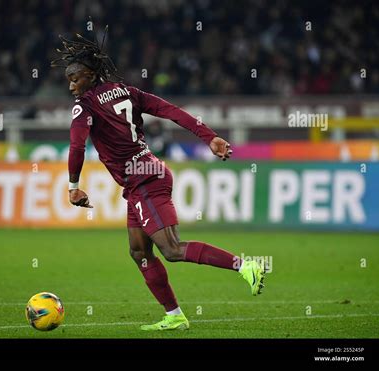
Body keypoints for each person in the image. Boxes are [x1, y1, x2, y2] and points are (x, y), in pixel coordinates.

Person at [52, 30, 265, 331]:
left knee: (172, 250)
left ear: (91, 75)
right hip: (145, 176)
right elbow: (172, 112)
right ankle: (175, 315)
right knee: (139, 252)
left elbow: (77, 146)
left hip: (144, 181)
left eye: (76, 78)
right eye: (69, 80)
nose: (72, 86)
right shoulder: (129, 92)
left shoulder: (85, 106)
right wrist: (210, 137)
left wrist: (73, 187)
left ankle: (246, 266)